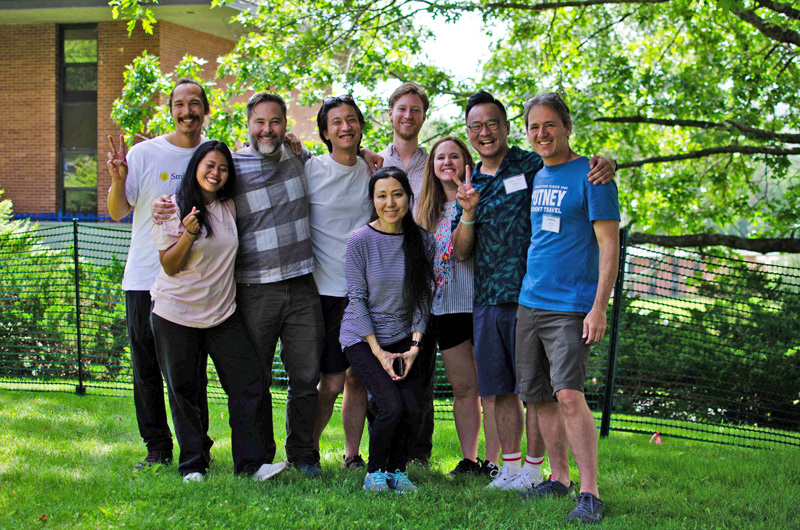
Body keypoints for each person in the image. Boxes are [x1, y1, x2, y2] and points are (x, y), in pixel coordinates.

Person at [451, 90, 616, 491]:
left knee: (555, 393)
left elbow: (583, 179)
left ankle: (557, 477)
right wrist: (468, 212)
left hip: (553, 300)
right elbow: (460, 251)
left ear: (509, 129)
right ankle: (526, 471)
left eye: (493, 124)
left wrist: (609, 161)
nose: (485, 132)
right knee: (517, 391)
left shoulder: (532, 165)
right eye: (476, 126)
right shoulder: (475, 180)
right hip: (503, 298)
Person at [149, 141, 287, 483]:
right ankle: (193, 465)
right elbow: (169, 265)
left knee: (250, 384)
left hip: (222, 313)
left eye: (223, 168)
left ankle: (252, 465)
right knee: (184, 391)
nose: (216, 173)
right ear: (197, 166)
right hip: (175, 314)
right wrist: (189, 235)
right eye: (210, 165)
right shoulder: (172, 206)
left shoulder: (228, 205)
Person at [514, 93, 619, 524]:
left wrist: (599, 306)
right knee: (537, 397)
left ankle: (591, 492)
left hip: (570, 307)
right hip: (529, 302)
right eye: (534, 126)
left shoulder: (594, 176)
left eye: (550, 125)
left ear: (567, 127)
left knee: (570, 396)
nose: (541, 133)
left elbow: (609, 244)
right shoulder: (533, 173)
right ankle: (559, 478)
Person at [106, 79, 213, 470]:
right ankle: (157, 448)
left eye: (195, 104)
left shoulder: (212, 156)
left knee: (190, 372)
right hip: (143, 279)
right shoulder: (144, 153)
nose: (187, 111)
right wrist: (118, 180)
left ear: (206, 109)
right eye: (180, 104)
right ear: (170, 110)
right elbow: (118, 211)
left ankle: (198, 444)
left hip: (191, 284)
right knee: (146, 370)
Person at [339, 167, 435, 492]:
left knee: (412, 406)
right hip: (362, 335)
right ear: (373, 200)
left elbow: (423, 296)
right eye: (382, 195)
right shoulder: (359, 241)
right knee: (390, 404)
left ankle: (397, 471)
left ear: (409, 197)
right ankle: (374, 472)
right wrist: (378, 351)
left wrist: (415, 346)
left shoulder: (423, 241)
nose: (390, 202)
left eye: (397, 194)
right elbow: (357, 298)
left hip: (405, 336)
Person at [415, 136, 500, 476]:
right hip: (445, 308)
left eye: (454, 156)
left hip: (482, 303)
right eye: (440, 158)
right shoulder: (424, 211)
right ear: (432, 168)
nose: (446, 162)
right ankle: (469, 459)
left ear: (467, 161)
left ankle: (495, 461)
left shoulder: (483, 199)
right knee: (464, 388)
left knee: (492, 387)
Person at [379, 82, 435, 467]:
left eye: (415, 110)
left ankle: (418, 452)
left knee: (420, 368)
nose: (408, 116)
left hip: (421, 276)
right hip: (381, 278)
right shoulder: (372, 162)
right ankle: (370, 449)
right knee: (375, 370)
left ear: (423, 117)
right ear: (390, 113)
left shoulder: (436, 163)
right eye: (402, 108)